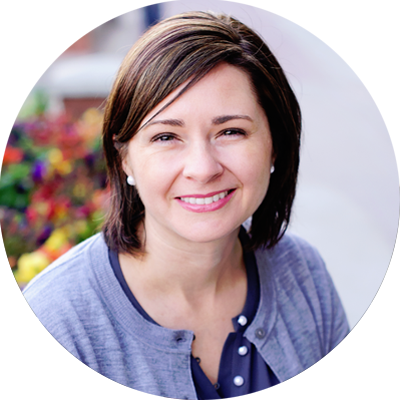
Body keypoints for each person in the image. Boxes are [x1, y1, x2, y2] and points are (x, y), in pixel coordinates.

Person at [23, 11, 349, 400]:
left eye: (231, 131)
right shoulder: (54, 321)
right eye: (166, 137)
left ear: (275, 144)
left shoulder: (304, 277)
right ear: (125, 157)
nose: (202, 168)